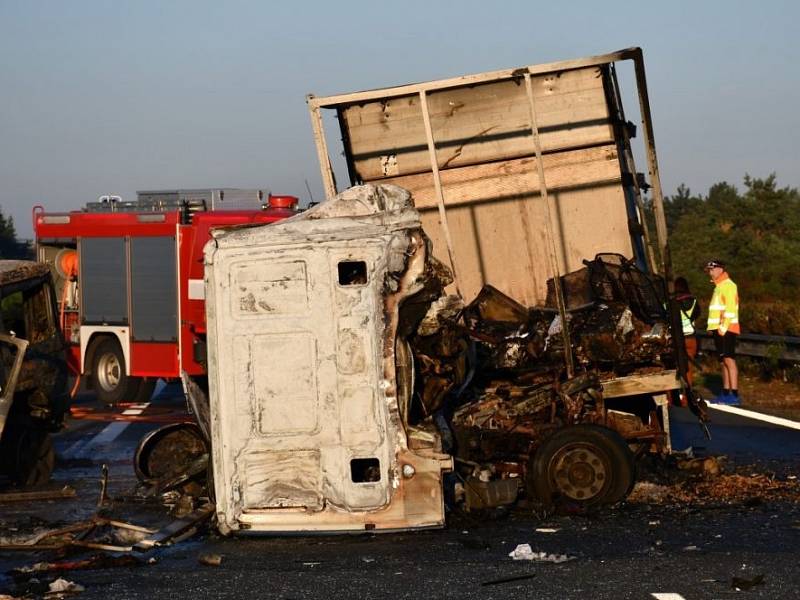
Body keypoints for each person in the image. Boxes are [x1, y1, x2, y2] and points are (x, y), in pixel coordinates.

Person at [704, 259, 740, 405]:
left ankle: (734, 394)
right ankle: (725, 392)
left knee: (729, 359)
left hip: (727, 329)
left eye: (711, 270)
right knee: (723, 361)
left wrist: (723, 328)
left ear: (719, 270)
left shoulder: (728, 286)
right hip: (719, 329)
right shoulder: (718, 286)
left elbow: (730, 309)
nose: (710, 273)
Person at [674, 277, 701, 395]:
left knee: (674, 367)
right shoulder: (693, 301)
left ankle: (673, 396)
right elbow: (697, 314)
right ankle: (688, 393)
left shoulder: (671, 301)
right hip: (690, 338)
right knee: (688, 367)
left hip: (676, 339)